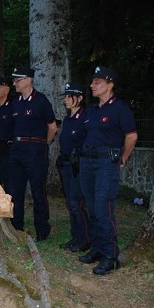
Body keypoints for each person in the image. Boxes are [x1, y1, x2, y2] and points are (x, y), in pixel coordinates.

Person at [78, 66, 138, 275]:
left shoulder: (120, 109)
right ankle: (97, 248)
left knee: (103, 208)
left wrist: (121, 159)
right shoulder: (91, 110)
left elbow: (131, 136)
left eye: (97, 82)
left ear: (110, 84)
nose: (92, 85)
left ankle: (111, 256)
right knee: (92, 207)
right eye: (92, 82)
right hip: (88, 162)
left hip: (106, 163)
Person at [8, 66, 58, 241]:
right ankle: (17, 227)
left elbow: (52, 127)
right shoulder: (15, 102)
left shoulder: (41, 101)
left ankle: (42, 231)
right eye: (14, 80)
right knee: (15, 191)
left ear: (28, 80)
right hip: (17, 150)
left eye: (18, 80)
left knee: (38, 192)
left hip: (35, 151)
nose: (14, 83)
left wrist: (44, 144)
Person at [58, 82, 91, 252]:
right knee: (70, 203)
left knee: (76, 202)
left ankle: (85, 239)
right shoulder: (67, 119)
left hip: (79, 166)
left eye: (69, 96)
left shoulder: (86, 117)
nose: (66, 99)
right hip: (66, 165)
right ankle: (76, 237)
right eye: (65, 96)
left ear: (79, 98)